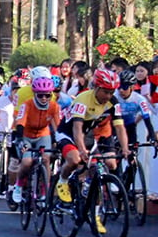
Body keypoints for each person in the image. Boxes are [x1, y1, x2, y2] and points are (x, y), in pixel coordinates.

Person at [53, 68, 130, 205]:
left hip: (87, 133)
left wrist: (125, 148)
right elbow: (76, 128)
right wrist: (82, 150)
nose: (108, 96)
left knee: (97, 166)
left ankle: (90, 197)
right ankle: (62, 180)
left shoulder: (113, 101)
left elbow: (119, 126)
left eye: (111, 92)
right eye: (105, 92)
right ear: (96, 88)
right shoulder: (83, 98)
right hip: (67, 132)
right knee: (75, 159)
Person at [10, 76, 61, 203]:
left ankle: (45, 191)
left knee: (45, 159)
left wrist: (59, 141)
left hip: (43, 135)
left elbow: (58, 126)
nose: (44, 98)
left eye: (47, 95)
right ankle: (19, 185)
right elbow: (20, 123)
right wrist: (20, 140)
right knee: (27, 161)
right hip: (26, 135)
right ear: (34, 94)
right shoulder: (27, 105)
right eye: (40, 95)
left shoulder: (54, 106)